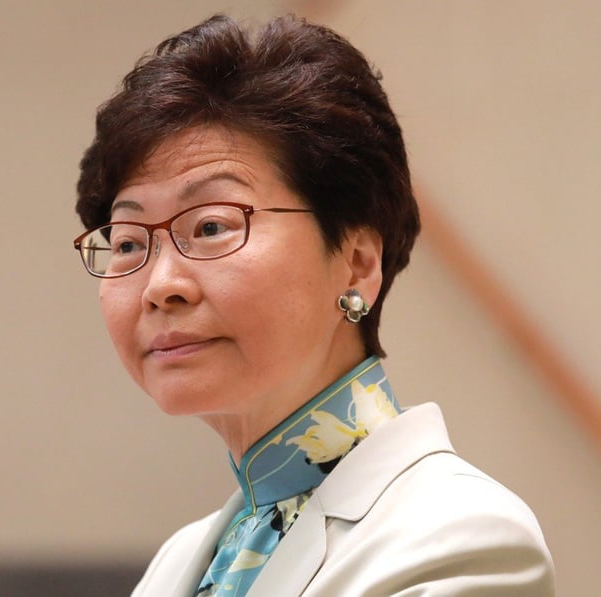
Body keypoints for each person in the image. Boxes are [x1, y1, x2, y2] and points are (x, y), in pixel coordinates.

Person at [72, 14, 555, 597]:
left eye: (212, 226)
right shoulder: (179, 563)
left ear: (356, 264)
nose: (160, 284)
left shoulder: (458, 537)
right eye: (128, 242)